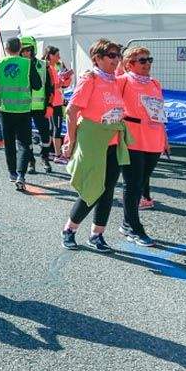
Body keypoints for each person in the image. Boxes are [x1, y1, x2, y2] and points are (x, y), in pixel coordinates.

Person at [61, 39, 129, 253]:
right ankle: (69, 230)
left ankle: (97, 235)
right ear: (97, 59)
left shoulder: (115, 80)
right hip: (92, 142)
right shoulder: (90, 79)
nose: (116, 59)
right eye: (111, 55)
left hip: (114, 142)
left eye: (118, 55)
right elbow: (72, 111)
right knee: (92, 188)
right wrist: (70, 141)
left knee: (107, 191)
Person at [116, 47, 167, 247]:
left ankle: (127, 222)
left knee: (141, 182)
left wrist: (165, 138)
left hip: (154, 138)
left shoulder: (155, 83)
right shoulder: (123, 81)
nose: (147, 63)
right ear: (129, 64)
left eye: (149, 59)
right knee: (132, 184)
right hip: (132, 137)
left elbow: (159, 112)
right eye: (142, 60)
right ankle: (134, 228)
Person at [0, 37, 43, 192]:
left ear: (6, 48)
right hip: (24, 109)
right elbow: (38, 85)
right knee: (25, 144)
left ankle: (12, 173)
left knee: (10, 143)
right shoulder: (28, 63)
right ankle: (21, 174)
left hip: (5, 110)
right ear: (20, 48)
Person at [19, 37, 54, 173]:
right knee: (26, 136)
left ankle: (45, 158)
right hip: (24, 107)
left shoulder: (43, 65)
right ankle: (30, 161)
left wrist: (50, 105)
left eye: (28, 50)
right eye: (23, 50)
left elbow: (50, 86)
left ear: (33, 50)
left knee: (45, 135)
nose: (25, 53)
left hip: (41, 108)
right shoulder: (19, 65)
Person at [44, 47, 74, 162]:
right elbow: (52, 86)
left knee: (53, 128)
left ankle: (51, 152)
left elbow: (61, 85)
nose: (59, 57)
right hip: (54, 102)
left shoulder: (55, 66)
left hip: (55, 101)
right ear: (50, 55)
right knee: (56, 127)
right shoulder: (48, 67)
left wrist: (66, 78)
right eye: (57, 55)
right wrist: (63, 79)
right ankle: (57, 155)